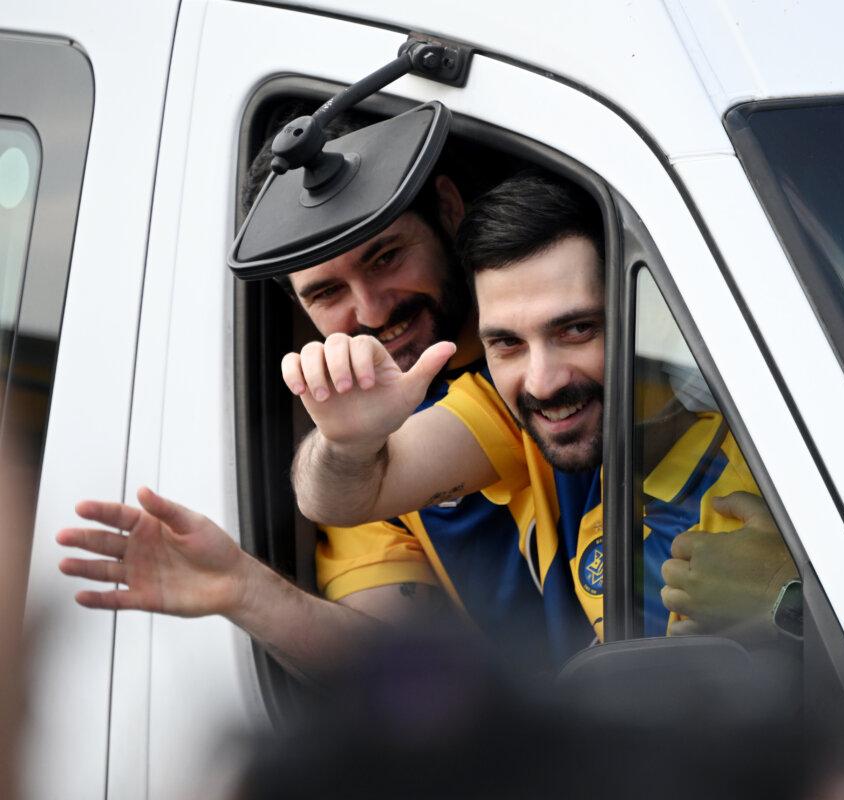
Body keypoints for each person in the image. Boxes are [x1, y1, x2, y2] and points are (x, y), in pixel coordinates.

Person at [56, 111, 559, 679]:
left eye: (386, 256)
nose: (371, 310)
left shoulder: (540, 362)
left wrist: (350, 448)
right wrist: (243, 591)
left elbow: (352, 487)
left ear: (447, 210)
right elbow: (397, 675)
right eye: (326, 292)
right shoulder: (368, 429)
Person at [286, 170, 796, 647]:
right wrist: (348, 442)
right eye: (507, 343)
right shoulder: (518, 414)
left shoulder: (785, 457)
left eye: (577, 330)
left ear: (649, 313)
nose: (543, 381)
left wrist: (793, 604)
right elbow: (345, 497)